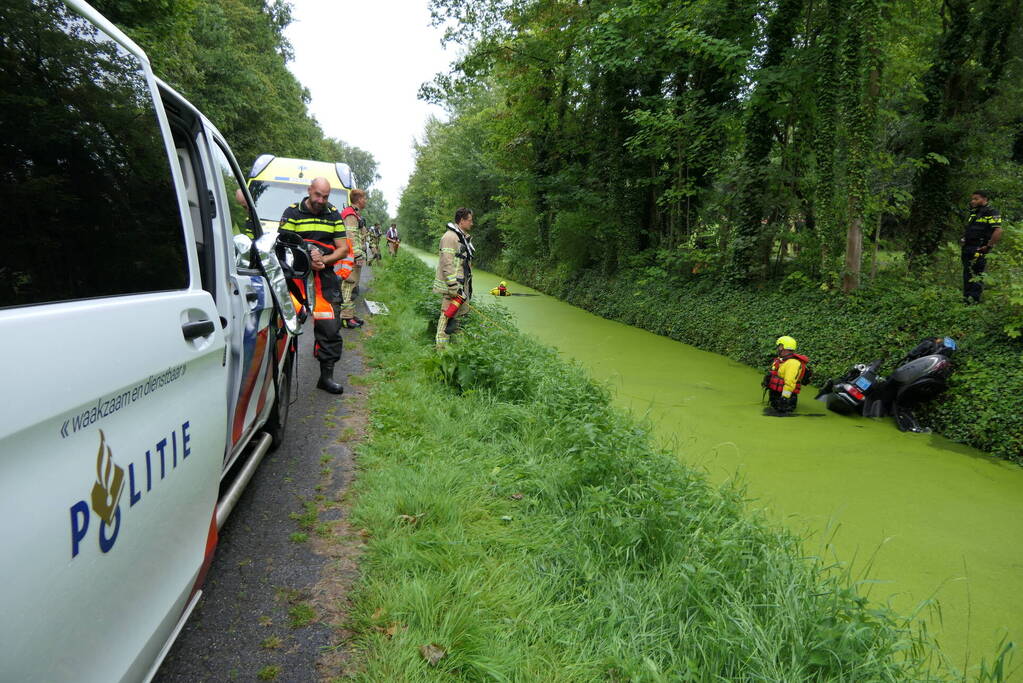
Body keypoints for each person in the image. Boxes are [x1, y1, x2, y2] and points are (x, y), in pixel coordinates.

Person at [279, 178, 347, 394]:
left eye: (325, 196)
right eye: (317, 195)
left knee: (330, 327)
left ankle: (326, 377)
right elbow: (282, 246)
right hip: (295, 276)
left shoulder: (333, 214)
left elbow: (343, 249)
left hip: (324, 277)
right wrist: (307, 255)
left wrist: (324, 260)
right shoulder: (292, 213)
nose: (321, 200)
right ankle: (280, 377)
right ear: (309, 191)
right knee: (284, 326)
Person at [433, 208, 475, 348]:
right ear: (462, 221)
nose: (472, 223)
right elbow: (447, 263)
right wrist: (453, 286)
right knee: (446, 318)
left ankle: (456, 352)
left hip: (460, 286)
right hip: (453, 287)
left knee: (455, 320)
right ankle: (441, 353)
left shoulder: (461, 237)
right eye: (470, 220)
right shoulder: (450, 237)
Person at [960, 190, 1003, 303]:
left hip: (979, 248)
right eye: (972, 198)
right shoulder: (974, 212)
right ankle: (966, 299)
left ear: (985, 199)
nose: (973, 201)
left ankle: (974, 301)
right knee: (967, 273)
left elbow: (998, 230)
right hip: (967, 247)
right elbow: (971, 229)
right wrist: (965, 238)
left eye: (976, 199)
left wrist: (988, 246)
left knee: (977, 273)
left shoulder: (992, 212)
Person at [338, 189, 368, 328]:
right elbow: (351, 235)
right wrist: (358, 254)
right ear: (358, 199)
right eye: (364, 198)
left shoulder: (355, 213)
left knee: (351, 286)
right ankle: (345, 317)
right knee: (348, 286)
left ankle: (349, 314)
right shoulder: (350, 214)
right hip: (350, 258)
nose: (366, 201)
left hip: (352, 257)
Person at [763, 336, 811, 414]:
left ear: (783, 347)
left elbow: (790, 382)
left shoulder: (793, 363)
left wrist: (785, 398)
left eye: (779, 346)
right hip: (776, 397)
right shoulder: (782, 360)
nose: (778, 348)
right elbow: (776, 372)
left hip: (785, 401)